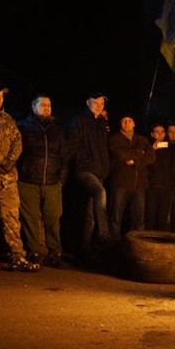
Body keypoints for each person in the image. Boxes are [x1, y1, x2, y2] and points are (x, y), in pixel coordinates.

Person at [0, 81, 39, 273]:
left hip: (8, 177)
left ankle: (17, 255)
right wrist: (2, 160)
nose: (0, 99)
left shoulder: (8, 118)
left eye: (2, 96)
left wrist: (10, 162)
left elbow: (17, 141)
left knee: (11, 216)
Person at [17, 94, 69, 268]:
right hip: (28, 180)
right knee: (30, 218)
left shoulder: (57, 129)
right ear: (33, 107)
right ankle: (34, 252)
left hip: (52, 181)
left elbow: (64, 155)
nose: (47, 107)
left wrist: (61, 177)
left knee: (53, 217)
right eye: (43, 104)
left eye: (49, 104)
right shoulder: (23, 126)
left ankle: (55, 252)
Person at [65, 92, 111, 262]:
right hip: (85, 170)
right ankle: (104, 234)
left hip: (100, 171)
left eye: (101, 103)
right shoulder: (79, 120)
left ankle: (85, 250)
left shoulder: (101, 123)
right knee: (100, 192)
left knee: (90, 213)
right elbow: (71, 144)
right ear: (87, 102)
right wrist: (85, 160)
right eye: (95, 102)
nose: (99, 106)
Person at [108, 114, 156, 241]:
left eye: (129, 120)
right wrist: (139, 153)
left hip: (139, 184)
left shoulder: (142, 140)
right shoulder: (114, 139)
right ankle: (115, 245)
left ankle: (137, 245)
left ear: (134, 124)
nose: (126, 123)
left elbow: (151, 156)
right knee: (116, 217)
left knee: (138, 218)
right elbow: (120, 155)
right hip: (120, 183)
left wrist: (135, 161)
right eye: (124, 120)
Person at [145, 122, 175, 231]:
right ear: (152, 134)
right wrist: (151, 150)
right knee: (150, 216)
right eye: (157, 132)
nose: (160, 134)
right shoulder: (147, 148)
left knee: (163, 217)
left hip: (167, 188)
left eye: (162, 132)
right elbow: (145, 164)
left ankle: (161, 242)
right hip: (152, 188)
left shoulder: (171, 148)